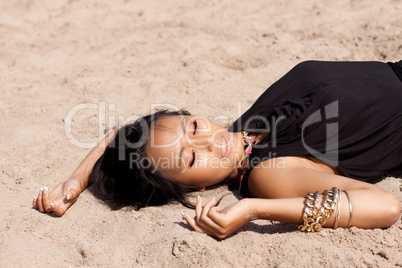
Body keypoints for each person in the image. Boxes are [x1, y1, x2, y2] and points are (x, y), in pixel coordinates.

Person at [33, 60, 402, 239]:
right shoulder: (267, 176)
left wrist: (77, 179)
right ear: (193, 189)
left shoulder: (242, 131)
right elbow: (385, 206)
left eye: (193, 126)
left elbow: (120, 136)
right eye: (192, 158)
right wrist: (254, 209)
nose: (210, 140)